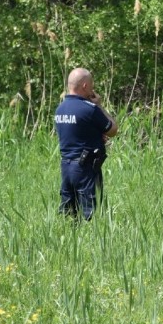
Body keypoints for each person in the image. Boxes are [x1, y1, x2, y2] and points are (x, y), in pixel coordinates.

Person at [54, 68, 118, 221]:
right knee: (91, 215)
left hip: (66, 167)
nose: (93, 88)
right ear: (84, 86)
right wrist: (100, 106)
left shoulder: (60, 109)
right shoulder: (90, 109)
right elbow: (113, 130)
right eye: (91, 85)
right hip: (86, 169)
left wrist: (95, 136)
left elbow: (75, 134)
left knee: (69, 214)